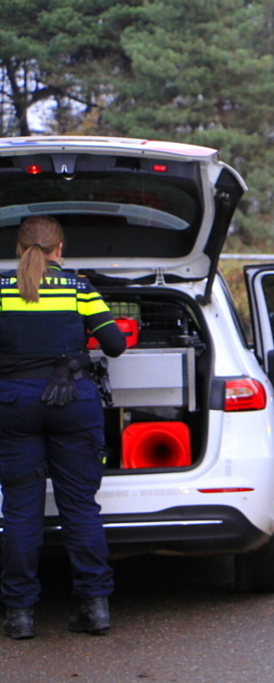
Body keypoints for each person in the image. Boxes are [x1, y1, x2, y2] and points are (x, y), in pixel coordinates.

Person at [0, 216, 126, 640]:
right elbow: (115, 345)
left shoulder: (1, 290)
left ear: (20, 250)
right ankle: (94, 608)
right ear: (59, 250)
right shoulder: (79, 289)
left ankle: (19, 615)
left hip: (14, 405)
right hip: (72, 402)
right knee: (80, 508)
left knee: (20, 511)